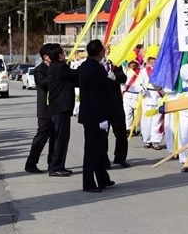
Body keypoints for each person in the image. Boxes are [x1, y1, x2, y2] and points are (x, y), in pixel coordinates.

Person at [78, 40, 115, 193]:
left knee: (99, 148)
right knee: (92, 149)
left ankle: (102, 178)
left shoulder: (85, 66)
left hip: (89, 113)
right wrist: (102, 118)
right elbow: (97, 96)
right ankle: (88, 182)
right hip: (95, 115)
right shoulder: (95, 70)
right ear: (100, 52)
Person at [47, 44, 79, 177]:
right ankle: (56, 166)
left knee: (58, 138)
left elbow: (74, 80)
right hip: (61, 108)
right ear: (60, 56)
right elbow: (76, 74)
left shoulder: (54, 67)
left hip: (57, 108)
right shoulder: (60, 68)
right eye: (62, 53)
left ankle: (56, 164)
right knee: (61, 138)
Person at [25, 44, 55, 174]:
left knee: (56, 137)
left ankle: (53, 164)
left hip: (56, 108)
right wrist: (55, 76)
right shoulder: (39, 70)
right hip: (44, 109)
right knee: (41, 137)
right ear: (46, 57)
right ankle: (31, 163)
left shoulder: (57, 68)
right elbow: (43, 84)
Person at [103, 45, 130, 168]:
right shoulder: (97, 66)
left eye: (109, 51)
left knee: (121, 132)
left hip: (116, 104)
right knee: (103, 134)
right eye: (105, 51)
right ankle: (103, 160)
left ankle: (120, 158)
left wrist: (116, 77)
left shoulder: (116, 65)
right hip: (103, 104)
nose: (107, 53)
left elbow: (123, 78)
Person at [140, 57, 164, 150]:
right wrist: (143, 90)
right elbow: (140, 83)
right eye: (152, 60)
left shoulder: (161, 70)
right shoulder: (144, 71)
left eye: (155, 59)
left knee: (157, 121)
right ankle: (147, 140)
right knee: (146, 121)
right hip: (147, 97)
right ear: (148, 61)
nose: (153, 62)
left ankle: (156, 141)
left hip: (158, 98)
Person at [123, 60, 142, 136]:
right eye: (131, 63)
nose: (133, 64)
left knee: (138, 113)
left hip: (137, 95)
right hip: (128, 94)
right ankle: (129, 128)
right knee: (127, 113)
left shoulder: (141, 72)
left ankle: (138, 128)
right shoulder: (126, 71)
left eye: (134, 63)